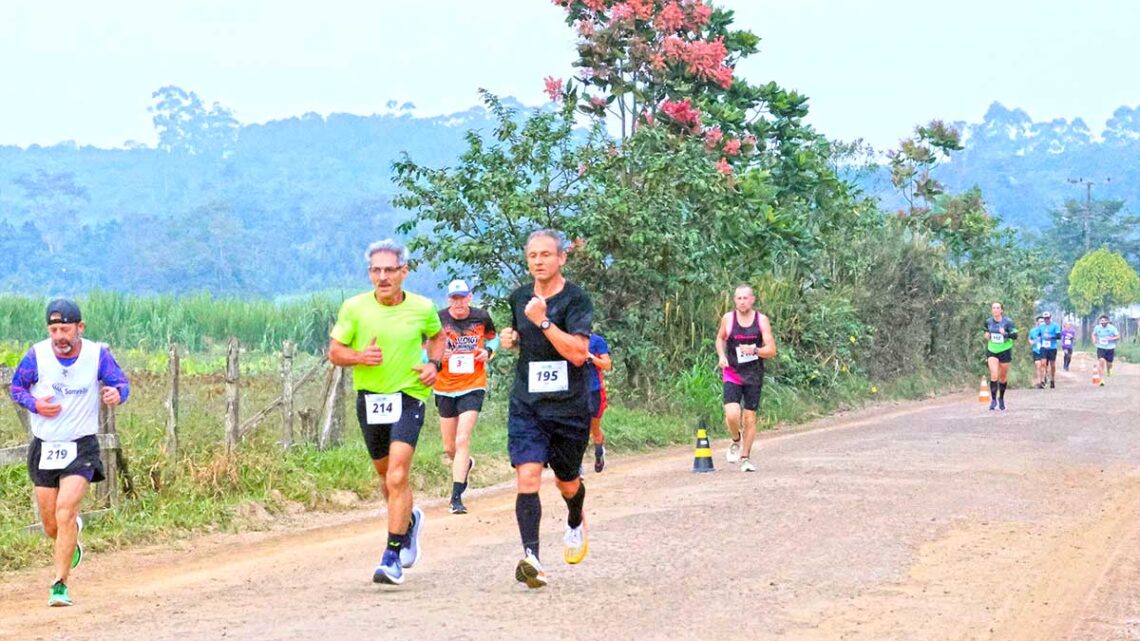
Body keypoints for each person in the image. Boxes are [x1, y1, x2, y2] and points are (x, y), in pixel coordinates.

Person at [328, 239, 445, 586]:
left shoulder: (423, 307)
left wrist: (434, 365)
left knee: (397, 475)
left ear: (403, 272)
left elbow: (437, 338)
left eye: (389, 270)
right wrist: (359, 357)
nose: (382, 277)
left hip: (409, 395)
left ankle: (392, 556)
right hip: (371, 399)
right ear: (369, 274)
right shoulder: (354, 308)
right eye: (376, 271)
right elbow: (335, 351)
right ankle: (408, 522)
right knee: (385, 477)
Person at [8, 298, 130, 607]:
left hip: (81, 446)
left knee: (65, 510)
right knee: (52, 524)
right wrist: (35, 405)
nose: (60, 336)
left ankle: (59, 585)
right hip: (45, 446)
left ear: (80, 328)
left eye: (65, 329)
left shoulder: (96, 354)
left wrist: (117, 393)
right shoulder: (36, 355)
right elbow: (16, 388)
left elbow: (120, 383)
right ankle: (71, 535)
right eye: (54, 329)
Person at [497, 229, 593, 589]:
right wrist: (512, 338)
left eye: (546, 255)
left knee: (568, 482)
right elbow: (521, 336)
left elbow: (579, 354)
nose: (538, 261)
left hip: (569, 407)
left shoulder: (576, 300)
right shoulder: (519, 297)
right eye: (532, 255)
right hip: (528, 404)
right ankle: (532, 558)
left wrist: (544, 321)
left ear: (561, 258)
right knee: (528, 477)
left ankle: (574, 518)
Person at [434, 278, 497, 515]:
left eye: (463, 297)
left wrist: (488, 352)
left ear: (470, 297)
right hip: (444, 387)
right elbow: (424, 350)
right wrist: (439, 357)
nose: (459, 302)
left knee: (462, 441)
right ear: (449, 299)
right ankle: (466, 464)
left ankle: (456, 497)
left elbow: (495, 338)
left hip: (473, 385)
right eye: (454, 298)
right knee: (450, 447)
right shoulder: (438, 319)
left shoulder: (481, 317)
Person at [715, 284, 777, 472]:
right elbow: (720, 339)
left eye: (745, 298)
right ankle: (735, 439)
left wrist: (755, 350)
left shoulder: (761, 320)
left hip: (753, 375)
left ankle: (745, 458)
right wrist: (722, 356)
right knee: (732, 414)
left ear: (752, 300)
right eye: (738, 298)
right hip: (732, 372)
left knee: (749, 418)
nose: (742, 302)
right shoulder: (728, 319)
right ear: (735, 300)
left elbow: (772, 350)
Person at [585, 333, 612, 473]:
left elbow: (607, 365)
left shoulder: (597, 341)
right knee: (577, 428)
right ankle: (576, 466)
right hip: (574, 392)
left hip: (594, 390)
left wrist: (591, 357)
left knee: (593, 428)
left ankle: (599, 454)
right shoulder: (566, 338)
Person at [983, 302, 1018, 410]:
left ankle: (1001, 398)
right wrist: (986, 335)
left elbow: (1015, 336)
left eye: (998, 308)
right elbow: (985, 331)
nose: (995, 310)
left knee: (1002, 377)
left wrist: (1005, 334)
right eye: (993, 308)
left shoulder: (1008, 322)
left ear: (1001, 310)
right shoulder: (988, 321)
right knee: (994, 375)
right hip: (992, 350)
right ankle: (993, 400)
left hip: (1005, 350)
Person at [1091, 314, 1121, 386]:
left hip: (1110, 348)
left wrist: (1111, 338)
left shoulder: (1112, 328)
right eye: (1101, 321)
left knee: (1109, 364)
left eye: (1104, 321)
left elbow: (1118, 336)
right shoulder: (1097, 328)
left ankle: (1108, 370)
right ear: (1100, 322)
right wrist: (1094, 340)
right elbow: (1093, 334)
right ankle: (1101, 380)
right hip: (1101, 347)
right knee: (1101, 361)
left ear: (1107, 321)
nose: (1103, 322)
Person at [1038, 312, 1061, 388]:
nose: (1046, 320)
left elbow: (1058, 336)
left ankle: (1052, 379)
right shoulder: (1041, 326)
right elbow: (1039, 335)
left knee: (1052, 365)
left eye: (1047, 318)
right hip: (1043, 347)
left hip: (1052, 347)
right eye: (1045, 318)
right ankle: (1042, 380)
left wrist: (1050, 336)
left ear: (1050, 318)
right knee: (1043, 363)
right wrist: (1038, 341)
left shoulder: (1055, 325)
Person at [1027, 316, 1045, 389]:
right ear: (1037, 322)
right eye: (1040, 321)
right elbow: (1029, 338)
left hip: (1044, 349)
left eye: (1042, 321)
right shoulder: (1033, 331)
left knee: (1043, 366)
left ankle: (1043, 379)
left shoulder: (1046, 330)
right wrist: (1031, 342)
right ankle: (1039, 382)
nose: (1041, 323)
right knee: (1038, 365)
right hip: (1036, 350)